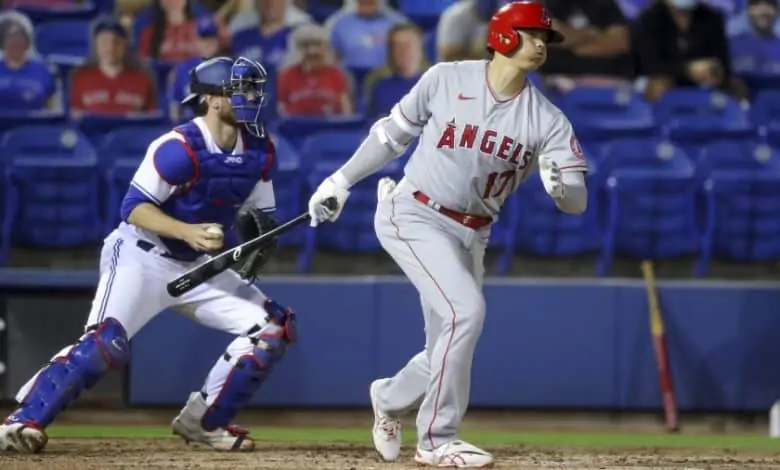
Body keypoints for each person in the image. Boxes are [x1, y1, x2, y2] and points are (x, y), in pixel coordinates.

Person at [306, 1, 588, 467]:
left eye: (545, 38)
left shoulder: (547, 118)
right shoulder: (446, 78)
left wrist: (563, 187)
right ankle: (437, 438)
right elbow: (391, 135)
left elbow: (576, 201)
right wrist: (341, 180)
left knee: (449, 341)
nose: (541, 44)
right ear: (502, 36)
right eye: (533, 35)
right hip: (413, 212)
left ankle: (391, 398)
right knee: (467, 312)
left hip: (473, 235)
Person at [0, 56, 300, 454]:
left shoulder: (260, 150)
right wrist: (187, 231)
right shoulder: (178, 148)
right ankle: (23, 421)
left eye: (252, 88)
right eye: (239, 89)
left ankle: (205, 422)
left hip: (201, 267)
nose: (251, 96)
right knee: (105, 345)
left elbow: (259, 215)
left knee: (273, 328)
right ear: (211, 99)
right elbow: (134, 207)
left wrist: (256, 242)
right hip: (142, 255)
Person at [633, 0, 748, 101]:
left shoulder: (711, 17)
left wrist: (713, 69)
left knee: (736, 86)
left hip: (704, 79)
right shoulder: (648, 20)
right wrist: (688, 70)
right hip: (665, 77)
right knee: (658, 84)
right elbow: (649, 65)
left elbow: (722, 60)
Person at [69, 16, 157, 116]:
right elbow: (74, 119)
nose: (110, 47)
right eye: (104, 42)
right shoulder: (80, 78)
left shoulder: (142, 79)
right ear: (96, 46)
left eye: (116, 42)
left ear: (124, 46)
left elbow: (151, 119)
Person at [277, 23, 352, 116]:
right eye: (306, 45)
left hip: (329, 127)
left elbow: (345, 108)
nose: (312, 51)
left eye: (317, 45)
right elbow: (280, 108)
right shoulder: (287, 75)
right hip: (296, 127)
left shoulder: (335, 74)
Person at [364, 22, 430, 118]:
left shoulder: (437, 86)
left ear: (420, 49)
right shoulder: (380, 88)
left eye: (410, 44)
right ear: (391, 52)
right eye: (398, 46)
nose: (405, 51)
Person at [169, 16, 227, 122]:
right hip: (191, 128)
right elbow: (175, 107)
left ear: (217, 41)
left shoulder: (227, 68)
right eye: (203, 39)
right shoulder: (184, 69)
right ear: (196, 41)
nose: (207, 44)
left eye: (211, 39)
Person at [0, 10, 59, 112]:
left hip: (34, 126)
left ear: (27, 41)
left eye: (19, 36)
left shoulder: (43, 71)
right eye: (9, 36)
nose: (15, 41)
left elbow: (51, 109)